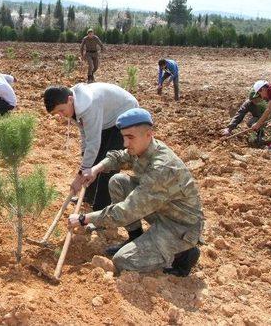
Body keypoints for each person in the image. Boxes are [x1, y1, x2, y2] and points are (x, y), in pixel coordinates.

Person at [68, 108, 204, 277]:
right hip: (162, 209)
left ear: (148, 134)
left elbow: (126, 211)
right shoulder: (144, 148)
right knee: (118, 181)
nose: (125, 143)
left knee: (123, 261)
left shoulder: (161, 168)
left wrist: (83, 219)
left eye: (130, 137)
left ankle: (184, 253)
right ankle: (135, 237)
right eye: (124, 137)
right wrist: (95, 169)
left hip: (179, 225)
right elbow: (119, 157)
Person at [43, 83, 138, 210]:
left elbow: (93, 142)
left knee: (107, 164)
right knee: (92, 159)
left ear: (70, 100)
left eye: (61, 110)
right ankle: (88, 197)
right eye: (56, 113)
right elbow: (84, 133)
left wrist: (79, 176)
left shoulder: (88, 105)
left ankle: (100, 208)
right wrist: (84, 156)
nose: (60, 115)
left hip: (124, 113)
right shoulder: (72, 106)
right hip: (106, 118)